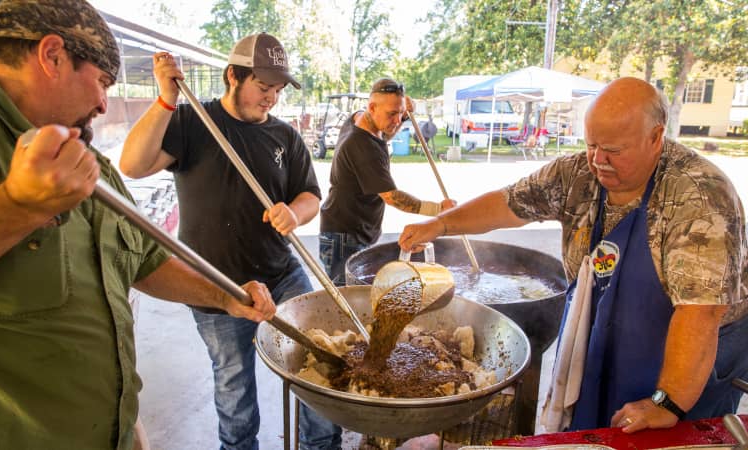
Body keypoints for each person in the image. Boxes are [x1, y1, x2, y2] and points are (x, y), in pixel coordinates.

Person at [0, 1, 276, 450]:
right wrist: (16, 206)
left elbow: (144, 260)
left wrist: (227, 298)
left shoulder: (91, 163)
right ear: (52, 55)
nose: (104, 104)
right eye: (102, 82)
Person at [399, 77, 748, 433]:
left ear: (655, 138)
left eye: (613, 149)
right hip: (609, 329)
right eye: (592, 144)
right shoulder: (577, 174)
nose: (599, 160)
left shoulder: (699, 196)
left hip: (692, 351)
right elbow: (509, 203)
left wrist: (667, 402)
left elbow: (701, 314)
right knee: (593, 429)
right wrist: (441, 225)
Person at [119, 34, 342, 450]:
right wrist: (166, 99)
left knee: (320, 360)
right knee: (234, 385)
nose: (271, 98)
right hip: (216, 284)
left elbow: (311, 195)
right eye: (263, 87)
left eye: (277, 89)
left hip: (282, 273)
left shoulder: (285, 137)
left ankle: (322, 445)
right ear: (233, 76)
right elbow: (132, 165)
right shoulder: (192, 122)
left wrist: (294, 212)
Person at [319, 78, 455, 285]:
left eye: (401, 113)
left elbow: (384, 133)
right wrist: (438, 209)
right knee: (348, 295)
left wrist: (402, 112)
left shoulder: (358, 118)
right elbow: (393, 197)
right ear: (372, 107)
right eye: (392, 114)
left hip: (355, 228)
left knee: (360, 291)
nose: (398, 120)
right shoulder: (364, 148)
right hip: (345, 236)